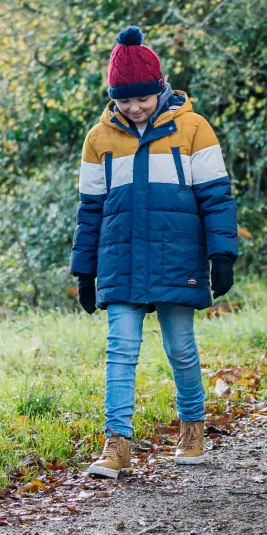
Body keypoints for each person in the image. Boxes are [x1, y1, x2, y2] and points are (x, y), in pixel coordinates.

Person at [71, 25, 239, 478]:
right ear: (114, 98)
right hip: (120, 260)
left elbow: (216, 197)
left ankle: (191, 427)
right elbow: (90, 210)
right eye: (125, 100)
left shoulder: (193, 128)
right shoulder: (99, 139)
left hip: (176, 257)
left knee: (180, 347)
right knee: (120, 349)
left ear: (159, 87)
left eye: (142, 97)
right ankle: (117, 443)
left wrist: (222, 255)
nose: (135, 107)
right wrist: (84, 272)